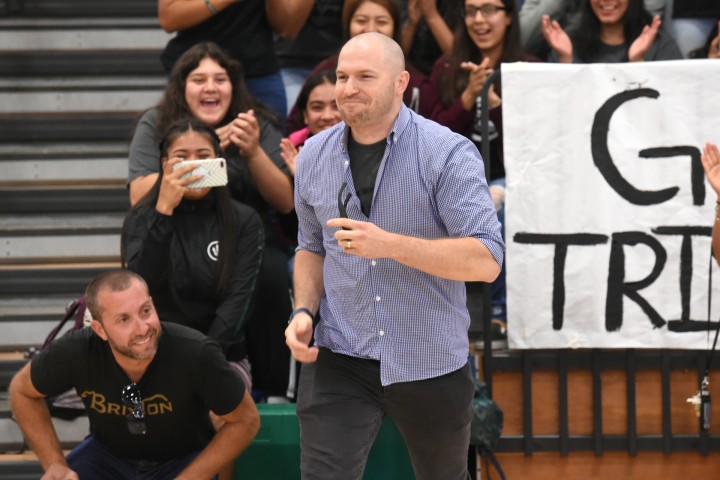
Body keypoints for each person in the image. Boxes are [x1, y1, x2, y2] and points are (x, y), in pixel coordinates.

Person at [285, 32, 504, 479]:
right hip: (341, 354)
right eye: (343, 76)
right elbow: (310, 248)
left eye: (365, 76)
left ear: (401, 81)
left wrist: (390, 246)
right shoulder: (312, 158)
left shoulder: (448, 152)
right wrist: (304, 310)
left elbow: (486, 258)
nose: (348, 88)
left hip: (429, 357)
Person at [127, 42, 294, 403]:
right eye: (199, 79)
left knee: (271, 274)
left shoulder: (255, 122)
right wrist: (196, 153)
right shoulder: (156, 122)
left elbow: (285, 201)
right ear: (181, 86)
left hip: (245, 232)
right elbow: (140, 198)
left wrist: (251, 153)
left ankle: (274, 389)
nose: (210, 87)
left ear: (234, 85)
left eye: (220, 79)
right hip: (176, 228)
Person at [9, 269, 260, 480]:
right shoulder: (76, 350)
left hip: (182, 459)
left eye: (146, 311)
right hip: (107, 457)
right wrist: (54, 463)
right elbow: (21, 390)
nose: (142, 328)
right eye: (124, 319)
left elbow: (246, 420)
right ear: (100, 329)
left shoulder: (197, 352)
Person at [122, 118, 263, 398]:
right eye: (181, 158)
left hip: (221, 355)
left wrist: (203, 359)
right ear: (164, 165)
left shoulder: (244, 221)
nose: (194, 165)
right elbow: (140, 289)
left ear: (219, 162)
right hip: (152, 351)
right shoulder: (140, 218)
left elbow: (239, 302)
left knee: (213, 406)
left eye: (203, 156)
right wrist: (163, 211)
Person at [420, 0, 534, 344]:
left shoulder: (529, 69)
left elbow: (537, 141)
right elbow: (431, 134)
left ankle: (495, 312)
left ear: (510, 16)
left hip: (516, 179)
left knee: (497, 205)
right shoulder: (446, 67)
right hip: (453, 180)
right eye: (471, 11)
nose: (479, 19)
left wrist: (497, 105)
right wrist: (468, 97)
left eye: (489, 9)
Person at [284, 0, 426, 134]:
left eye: (381, 22)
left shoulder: (415, 80)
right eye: (361, 21)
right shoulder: (327, 70)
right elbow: (295, 124)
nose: (371, 29)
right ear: (348, 25)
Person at [158, 0, 291, 115]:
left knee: (270, 137)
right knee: (190, 136)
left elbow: (286, 28)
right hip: (196, 66)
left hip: (258, 68)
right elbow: (169, 19)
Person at [541, 0, 682, 63]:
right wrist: (565, 60)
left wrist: (637, 63)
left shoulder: (659, 44)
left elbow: (669, 103)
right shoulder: (568, 45)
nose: (606, 0)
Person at [280, 70, 342, 176]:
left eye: (336, 106)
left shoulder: (365, 145)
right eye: (317, 107)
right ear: (305, 115)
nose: (327, 116)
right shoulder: (295, 145)